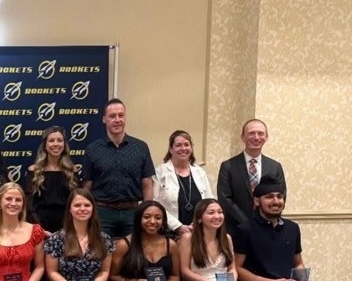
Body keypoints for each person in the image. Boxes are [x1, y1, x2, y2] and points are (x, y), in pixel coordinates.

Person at [83, 98, 154, 238]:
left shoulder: (140, 147)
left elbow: (147, 185)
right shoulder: (92, 149)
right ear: (104, 119)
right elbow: (87, 187)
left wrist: (147, 212)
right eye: (112, 116)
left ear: (125, 117)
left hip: (133, 212)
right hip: (102, 213)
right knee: (102, 255)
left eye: (121, 115)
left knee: (133, 256)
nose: (117, 120)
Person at [217, 118, 286, 236]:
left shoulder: (275, 167)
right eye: (251, 133)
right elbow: (225, 199)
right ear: (243, 137)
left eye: (260, 133)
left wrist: (264, 220)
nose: (256, 137)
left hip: (268, 228)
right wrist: (247, 223)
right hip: (236, 229)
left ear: (266, 137)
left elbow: (281, 195)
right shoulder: (228, 166)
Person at [153, 130, 214, 235]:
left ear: (191, 148)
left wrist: (196, 224)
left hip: (198, 231)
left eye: (187, 144)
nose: (183, 148)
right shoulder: (160, 173)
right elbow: (155, 204)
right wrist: (177, 226)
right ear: (171, 149)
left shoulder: (200, 173)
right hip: (169, 232)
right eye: (178, 145)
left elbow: (210, 202)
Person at [25, 126, 80, 235]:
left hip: (67, 225)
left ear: (64, 145)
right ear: (45, 145)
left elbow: (76, 201)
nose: (56, 144)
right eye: (51, 140)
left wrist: (67, 228)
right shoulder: (34, 170)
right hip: (39, 225)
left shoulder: (72, 170)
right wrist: (40, 228)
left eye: (60, 140)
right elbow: (29, 204)